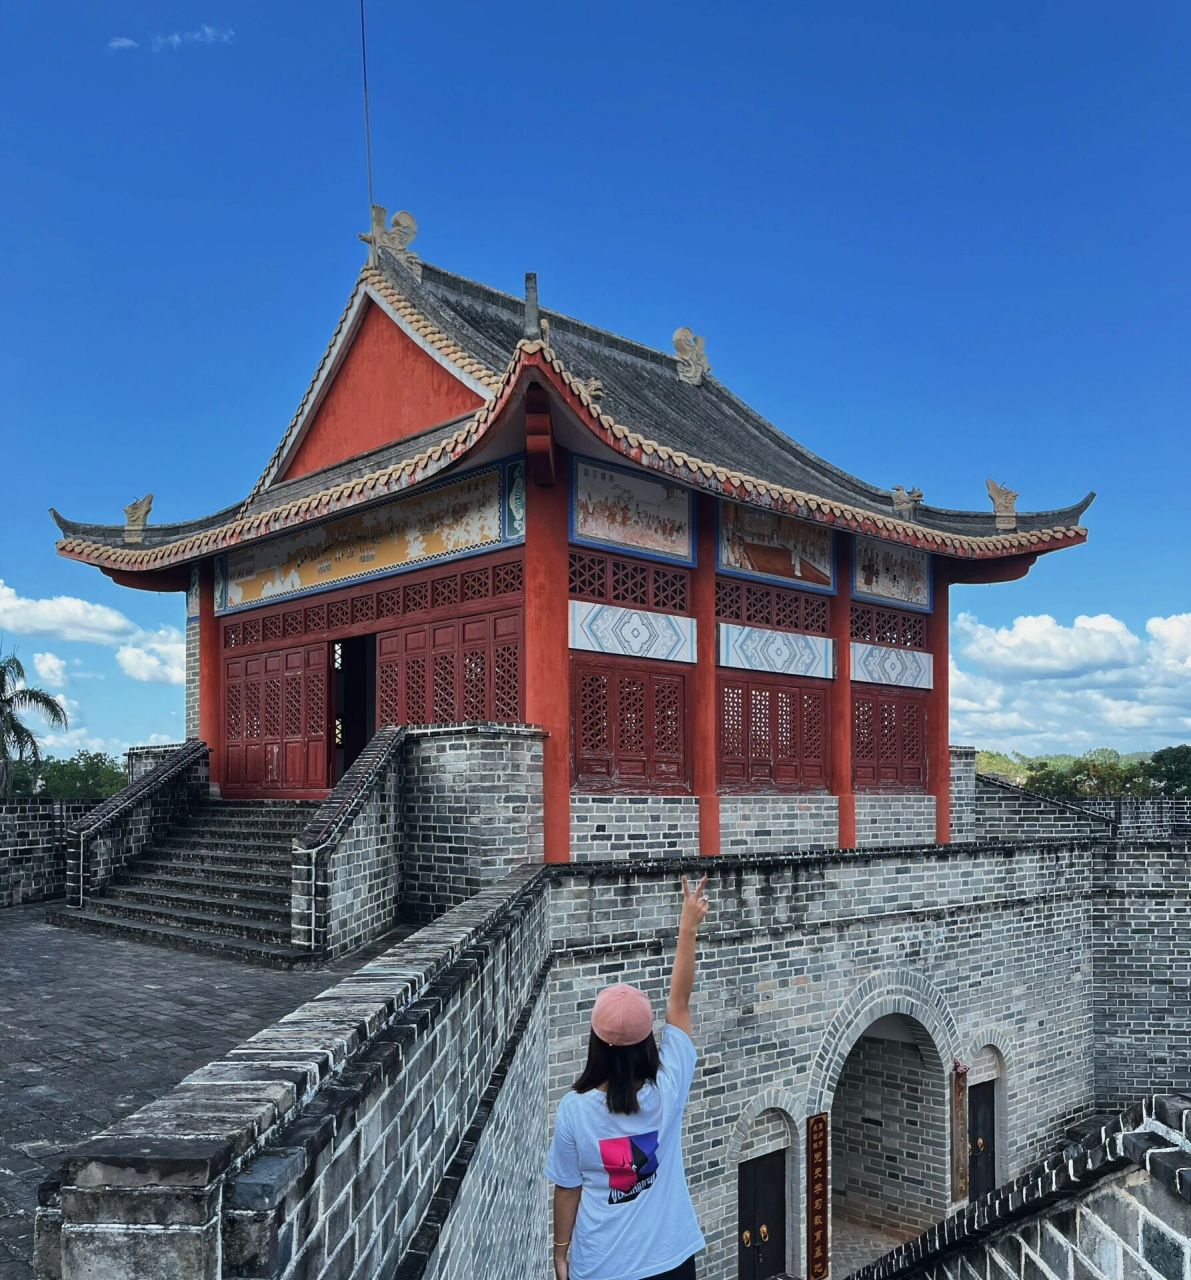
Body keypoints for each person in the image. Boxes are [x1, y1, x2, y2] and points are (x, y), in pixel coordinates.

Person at [545, 874, 711, 1280]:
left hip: (603, 1265)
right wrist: (687, 927)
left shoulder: (574, 1112)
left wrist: (560, 1253)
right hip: (671, 1260)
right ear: (648, 1044)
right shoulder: (668, 1088)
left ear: (595, 1044)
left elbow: (568, 1189)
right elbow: (680, 1001)